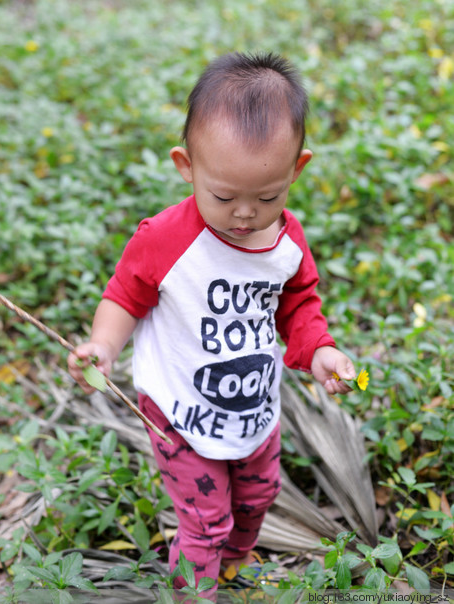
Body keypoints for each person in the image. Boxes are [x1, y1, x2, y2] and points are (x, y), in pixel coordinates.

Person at [68, 51, 356, 598]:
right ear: (187, 166)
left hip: (253, 404)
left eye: (267, 196)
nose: (245, 214)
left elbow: (298, 305)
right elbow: (125, 295)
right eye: (223, 196)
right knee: (206, 522)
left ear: (297, 169)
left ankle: (230, 566)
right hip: (178, 405)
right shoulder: (166, 239)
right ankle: (190, 591)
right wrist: (102, 346)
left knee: (257, 498)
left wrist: (319, 350)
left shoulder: (286, 241)